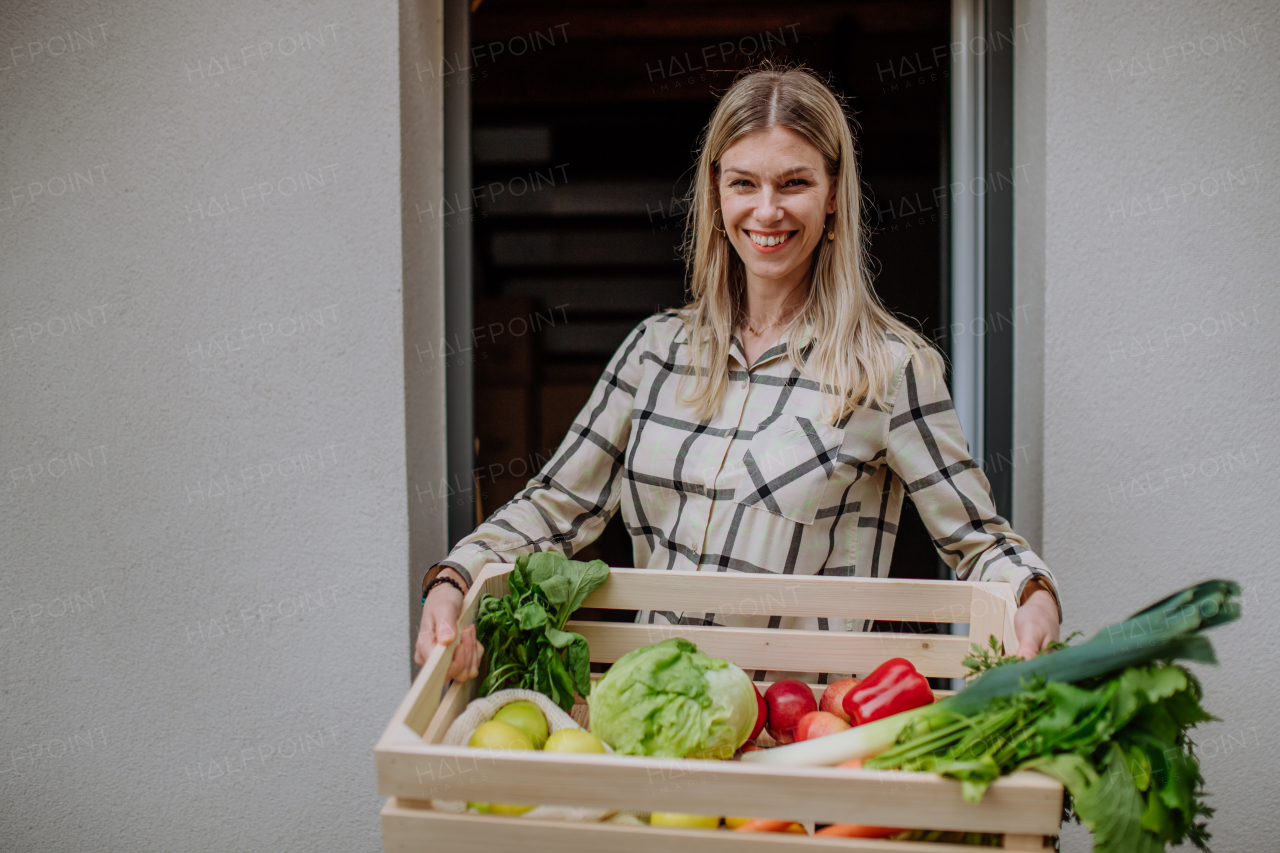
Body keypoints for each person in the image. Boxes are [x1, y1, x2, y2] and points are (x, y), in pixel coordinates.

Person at [415, 63, 1061, 684]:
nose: (767, 210)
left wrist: (1033, 596)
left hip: (791, 734)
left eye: (794, 183)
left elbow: (978, 542)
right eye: (745, 183)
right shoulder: (655, 351)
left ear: (834, 194)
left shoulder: (889, 369)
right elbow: (555, 508)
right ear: (717, 189)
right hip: (651, 713)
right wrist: (453, 578)